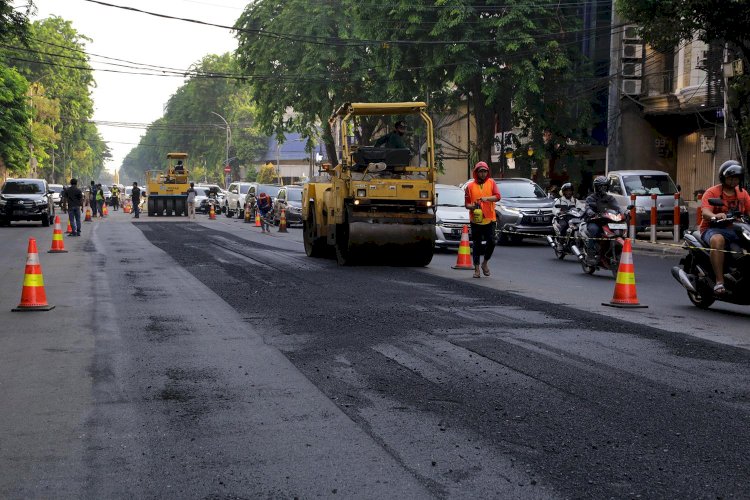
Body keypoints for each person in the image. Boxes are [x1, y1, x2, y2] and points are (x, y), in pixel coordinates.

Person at [699, 160, 750, 294]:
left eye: (736, 178)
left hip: (736, 229)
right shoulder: (712, 192)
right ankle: (719, 282)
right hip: (712, 229)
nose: (733, 181)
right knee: (718, 240)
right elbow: (705, 212)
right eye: (730, 178)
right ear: (723, 177)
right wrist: (716, 215)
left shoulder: (743, 193)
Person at [464, 161, 500, 278]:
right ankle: (476, 269)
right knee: (477, 244)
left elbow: (498, 197)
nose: (483, 174)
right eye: (481, 172)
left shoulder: (491, 183)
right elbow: (467, 204)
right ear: (476, 173)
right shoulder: (469, 187)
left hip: (490, 219)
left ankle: (485, 263)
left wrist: (487, 198)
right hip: (476, 220)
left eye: (485, 171)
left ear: (487, 172)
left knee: (492, 241)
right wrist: (473, 207)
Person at [583, 176, 621, 265]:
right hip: (594, 221)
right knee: (594, 230)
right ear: (596, 187)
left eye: (605, 186)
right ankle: (590, 254)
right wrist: (590, 212)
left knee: (617, 230)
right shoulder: (591, 198)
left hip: (607, 221)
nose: (603, 188)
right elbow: (587, 207)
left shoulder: (610, 198)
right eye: (601, 186)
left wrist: (624, 213)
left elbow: (617, 207)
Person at [553, 182, 579, 249]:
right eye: (567, 190)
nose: (568, 192)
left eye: (570, 190)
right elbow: (554, 209)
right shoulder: (560, 200)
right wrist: (558, 212)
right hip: (563, 218)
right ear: (563, 192)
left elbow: (582, 208)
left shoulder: (575, 201)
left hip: (574, 219)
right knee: (564, 226)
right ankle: (560, 243)